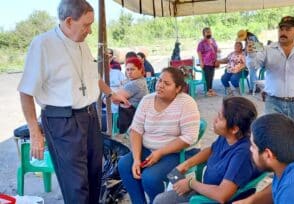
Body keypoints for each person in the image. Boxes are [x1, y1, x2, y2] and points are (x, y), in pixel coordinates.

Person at [17, 1, 126, 203]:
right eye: (86, 25)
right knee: (76, 185)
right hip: (62, 121)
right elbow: (25, 91)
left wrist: (110, 94)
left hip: (90, 116)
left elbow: (94, 77)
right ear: (69, 21)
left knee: (95, 176)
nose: (90, 31)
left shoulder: (81, 42)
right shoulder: (43, 44)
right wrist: (35, 132)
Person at [154, 97, 260, 204]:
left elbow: (222, 195)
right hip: (205, 191)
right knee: (161, 199)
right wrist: (186, 164)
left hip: (213, 199)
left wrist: (191, 183)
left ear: (234, 129)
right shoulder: (228, 137)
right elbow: (212, 150)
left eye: (220, 118)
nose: (214, 120)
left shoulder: (242, 154)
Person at [118, 67, 201, 204]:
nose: (160, 85)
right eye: (159, 81)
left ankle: (157, 201)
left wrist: (160, 152)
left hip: (177, 153)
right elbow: (136, 129)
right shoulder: (147, 100)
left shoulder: (186, 103)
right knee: (125, 164)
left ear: (178, 88)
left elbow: (189, 137)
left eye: (167, 83)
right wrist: (137, 159)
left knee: (150, 177)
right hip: (149, 150)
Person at [234, 113, 294, 204]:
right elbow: (279, 185)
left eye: (253, 146)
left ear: (268, 154)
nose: (250, 149)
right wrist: (250, 201)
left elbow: (290, 189)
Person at [246, 16, 294, 129]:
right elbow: (253, 66)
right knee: (272, 134)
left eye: (288, 29)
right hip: (272, 102)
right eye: (281, 29)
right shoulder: (267, 49)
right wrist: (251, 55)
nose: (283, 32)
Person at [99, 57, 149, 133]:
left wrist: (108, 96)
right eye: (127, 69)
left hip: (125, 120)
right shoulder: (138, 80)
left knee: (95, 121)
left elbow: (109, 99)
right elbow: (115, 97)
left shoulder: (135, 84)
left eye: (132, 69)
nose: (129, 72)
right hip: (125, 116)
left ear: (140, 69)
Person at [236, 29, 261, 94]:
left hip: (254, 58)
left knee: (252, 74)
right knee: (253, 74)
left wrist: (246, 50)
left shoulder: (251, 38)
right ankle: (256, 87)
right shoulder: (250, 37)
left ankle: (253, 89)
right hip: (254, 58)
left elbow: (256, 48)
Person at [197, 27, 218, 96]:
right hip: (206, 62)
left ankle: (210, 90)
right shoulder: (201, 42)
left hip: (213, 61)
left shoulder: (213, 40)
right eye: (207, 32)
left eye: (210, 32)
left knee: (211, 76)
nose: (209, 33)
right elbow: (199, 52)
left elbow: (216, 49)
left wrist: (217, 59)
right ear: (204, 34)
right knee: (207, 77)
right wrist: (201, 62)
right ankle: (208, 91)